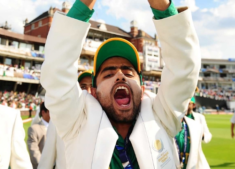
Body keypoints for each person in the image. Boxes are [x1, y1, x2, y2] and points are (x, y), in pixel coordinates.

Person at [41, 0, 201, 168]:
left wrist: (160, 3)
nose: (119, 76)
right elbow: (57, 69)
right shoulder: (77, 122)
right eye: (109, 73)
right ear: (94, 92)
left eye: (128, 72)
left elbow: (184, 68)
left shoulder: (162, 116)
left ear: (142, 88)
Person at [38, 70, 93, 169]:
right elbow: (46, 161)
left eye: (92, 86)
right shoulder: (57, 120)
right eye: (83, 87)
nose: (87, 91)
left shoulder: (107, 121)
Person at [174, 97, 210, 169]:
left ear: (193, 105)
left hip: (192, 152)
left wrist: (201, 135)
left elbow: (208, 135)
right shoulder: (176, 118)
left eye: (189, 103)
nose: (186, 106)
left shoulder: (199, 117)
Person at [27, 102, 50, 169]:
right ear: (43, 112)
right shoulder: (34, 129)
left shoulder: (59, 128)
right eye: (51, 111)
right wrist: (45, 166)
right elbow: (34, 151)